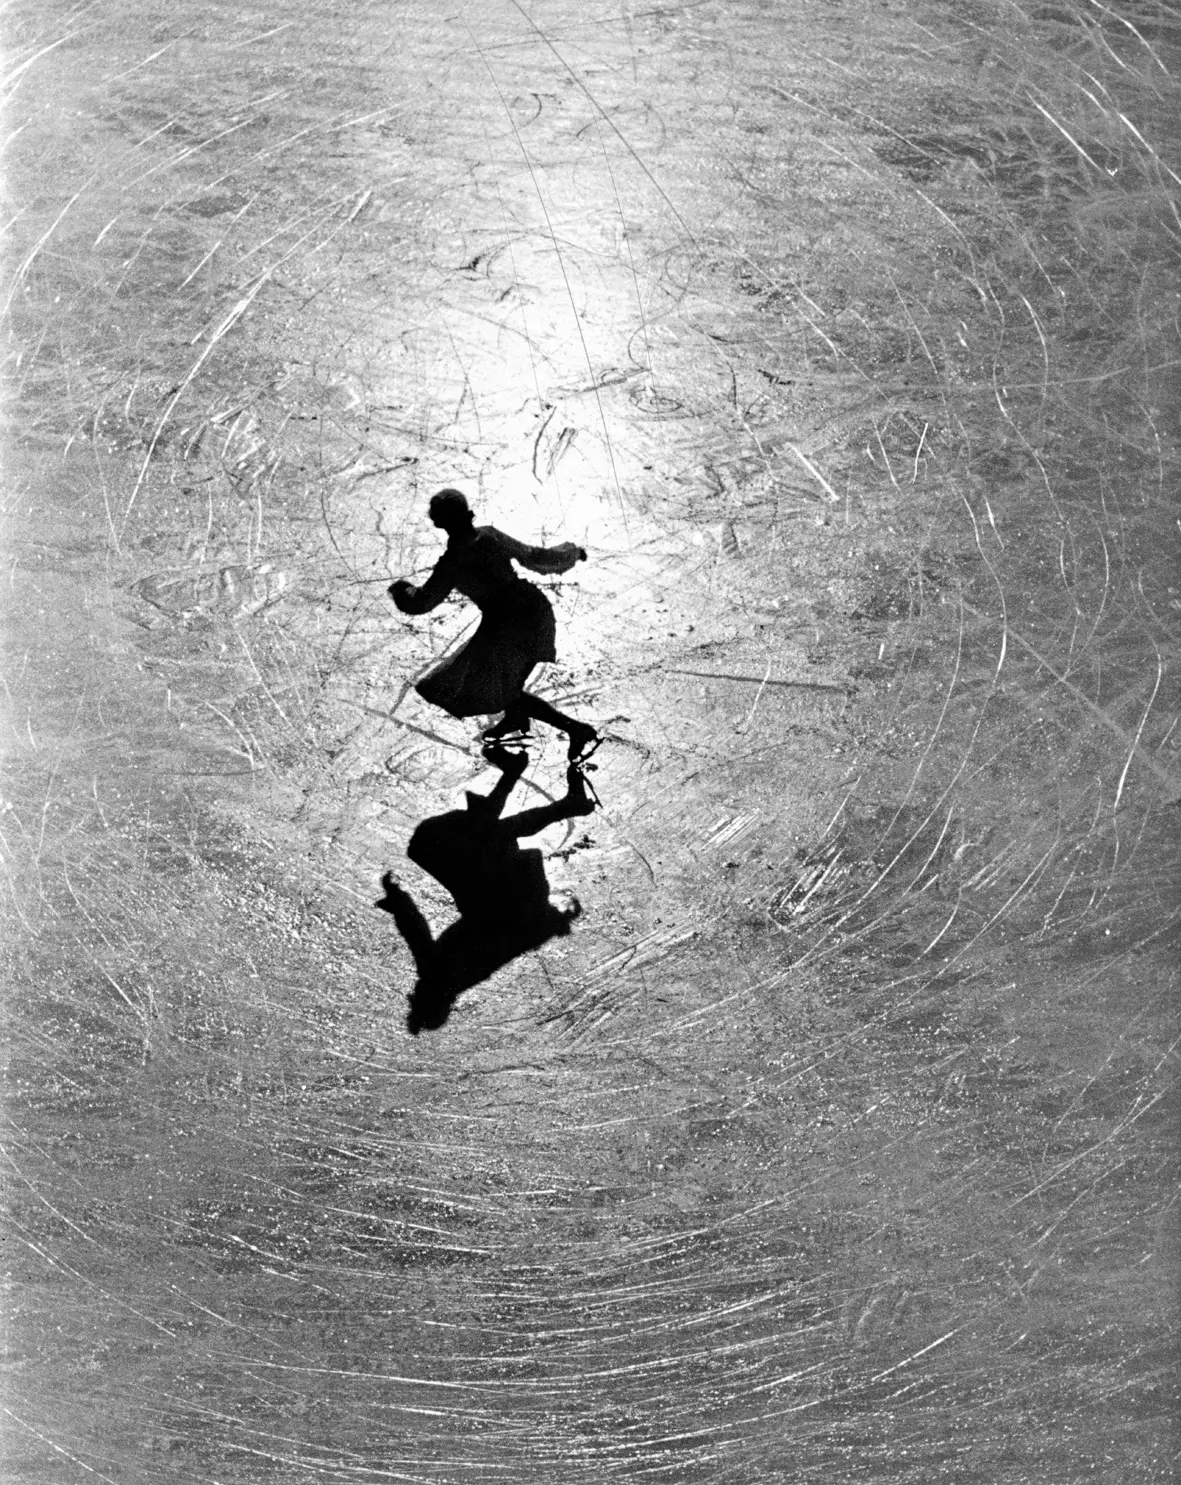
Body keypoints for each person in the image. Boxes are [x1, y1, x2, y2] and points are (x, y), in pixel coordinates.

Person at [376, 747, 597, 1033]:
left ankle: (531, 784)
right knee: (468, 838)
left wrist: (550, 925)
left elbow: (507, 948)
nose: (414, 993)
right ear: (428, 999)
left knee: (482, 834)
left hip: (498, 900)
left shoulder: (450, 978)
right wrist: (398, 901)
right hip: (507, 898)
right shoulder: (440, 975)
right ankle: (557, 800)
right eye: (417, 1000)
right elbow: (417, 931)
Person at [389, 489, 599, 759]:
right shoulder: (489, 536)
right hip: (530, 608)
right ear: (467, 515)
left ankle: (576, 730)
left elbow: (421, 603)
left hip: (505, 626)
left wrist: (400, 590)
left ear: (438, 523)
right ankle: (516, 719)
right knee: (501, 681)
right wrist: (570, 553)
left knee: (504, 688)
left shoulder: (451, 564)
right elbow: (534, 556)